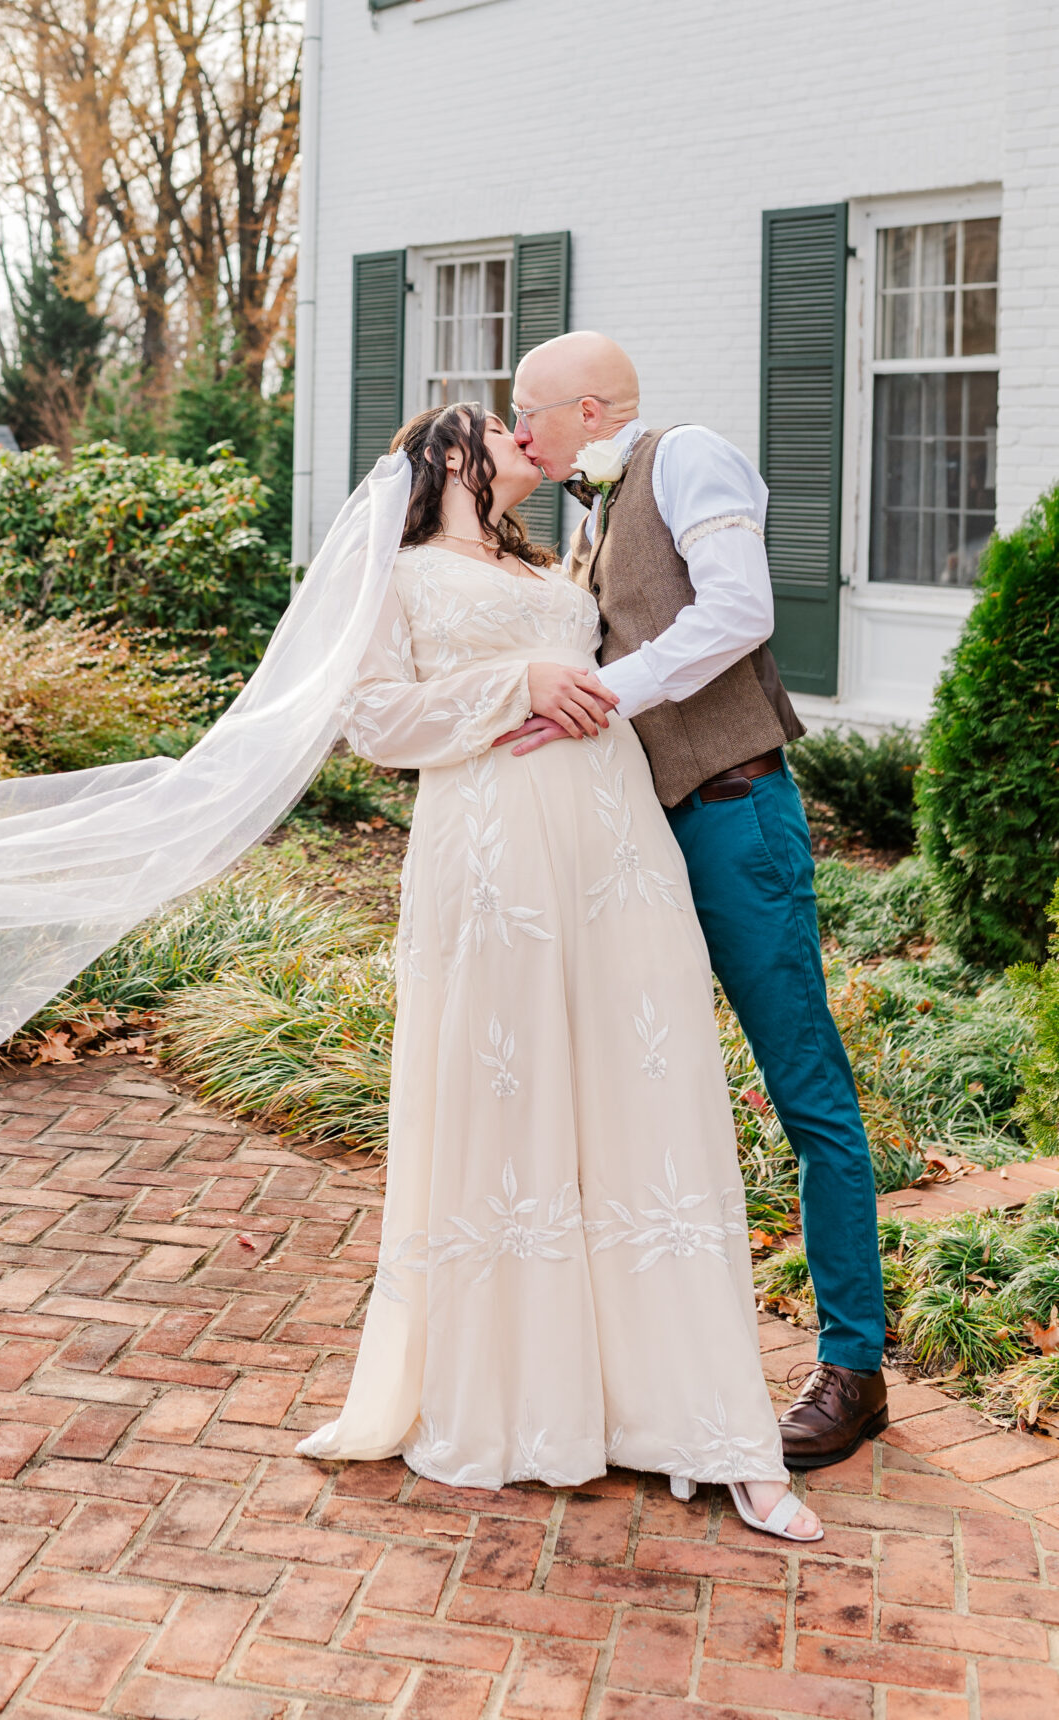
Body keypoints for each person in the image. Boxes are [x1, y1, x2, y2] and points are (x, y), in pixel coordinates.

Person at [291, 401, 820, 1540]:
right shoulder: (401, 574)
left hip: (613, 841)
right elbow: (373, 720)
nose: (521, 434)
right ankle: (524, 1400)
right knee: (514, 1099)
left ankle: (698, 1415)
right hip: (492, 850)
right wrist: (515, 688)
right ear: (445, 456)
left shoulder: (557, 559)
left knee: (648, 1097)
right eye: (494, 423)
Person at [507, 332, 886, 1473]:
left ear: (586, 407)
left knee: (803, 1083)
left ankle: (853, 1366)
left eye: (527, 412)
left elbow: (738, 611)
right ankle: (659, 1360)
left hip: (732, 815)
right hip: (637, 836)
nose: (517, 432)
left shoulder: (688, 457)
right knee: (643, 1090)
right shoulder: (582, 518)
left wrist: (600, 695)